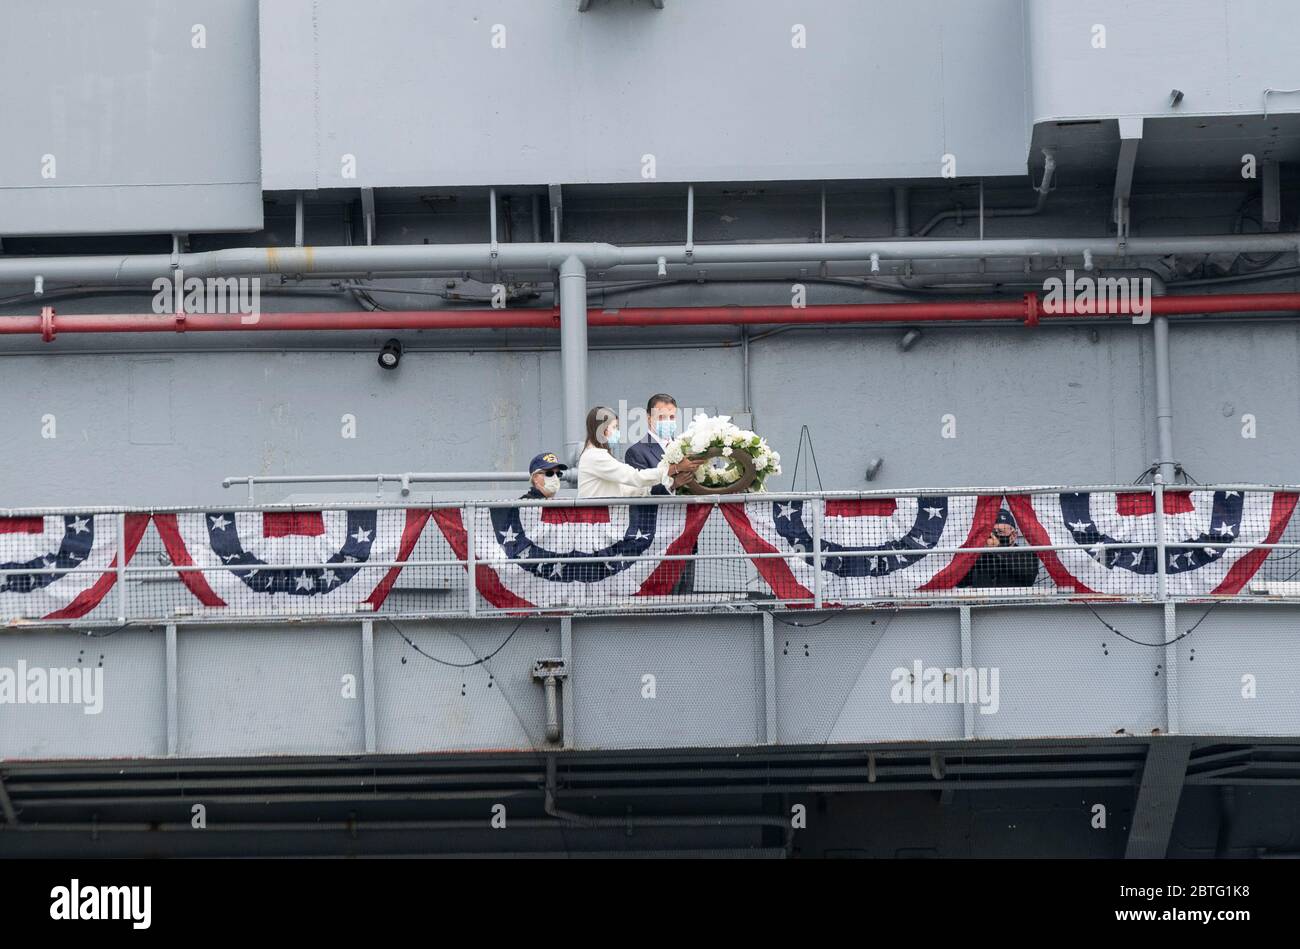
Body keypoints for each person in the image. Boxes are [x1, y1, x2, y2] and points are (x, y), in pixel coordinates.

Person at [577, 406, 699, 498]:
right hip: (598, 524)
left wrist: (672, 484)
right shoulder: (596, 456)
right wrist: (674, 469)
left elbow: (627, 489)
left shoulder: (595, 455)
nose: (618, 432)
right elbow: (636, 477)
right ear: (602, 429)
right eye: (615, 427)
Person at [958, 508, 1040, 588]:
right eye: (990, 532)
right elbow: (960, 582)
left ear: (1013, 535)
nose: (993, 536)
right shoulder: (978, 555)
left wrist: (998, 549)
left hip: (1013, 600)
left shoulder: (1027, 554)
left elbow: (1029, 577)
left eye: (999, 532)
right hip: (983, 600)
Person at [625, 392, 679, 477]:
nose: (668, 421)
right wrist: (675, 484)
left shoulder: (683, 446)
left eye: (672, 417)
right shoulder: (636, 452)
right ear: (649, 419)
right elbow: (643, 487)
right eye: (661, 417)